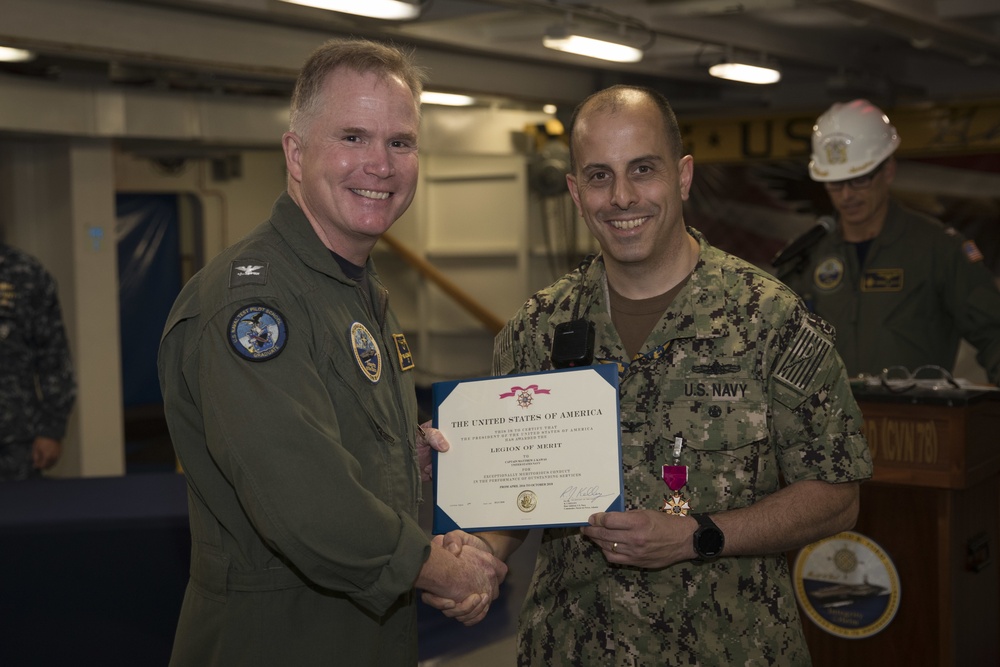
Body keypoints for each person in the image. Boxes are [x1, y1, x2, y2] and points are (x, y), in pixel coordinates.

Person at [424, 85, 873, 665]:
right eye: (599, 176)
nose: (623, 197)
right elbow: (514, 498)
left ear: (683, 177)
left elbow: (837, 496)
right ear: (575, 193)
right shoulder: (536, 328)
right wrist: (481, 557)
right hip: (573, 646)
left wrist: (699, 534)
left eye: (643, 170)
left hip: (735, 647)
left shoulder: (769, 320)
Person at [157, 38, 507, 667]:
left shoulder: (351, 289)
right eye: (353, 137)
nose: (381, 165)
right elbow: (307, 505)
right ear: (296, 153)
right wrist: (439, 569)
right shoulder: (255, 306)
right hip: (280, 637)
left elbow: (335, 446)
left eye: (400, 142)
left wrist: (405, 458)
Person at [779, 98, 1000, 384]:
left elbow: (994, 332)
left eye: (860, 179)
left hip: (917, 423)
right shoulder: (806, 257)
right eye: (835, 183)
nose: (847, 195)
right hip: (828, 425)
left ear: (888, 171)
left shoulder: (938, 249)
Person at [0, 240, 76, 481]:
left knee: (20, 515)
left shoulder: (26, 273)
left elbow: (53, 356)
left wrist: (51, 429)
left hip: (13, 441)